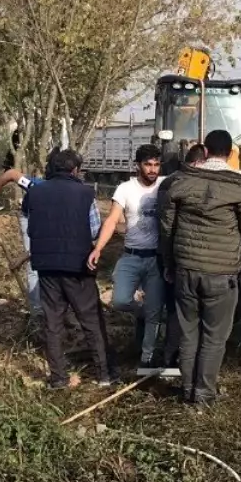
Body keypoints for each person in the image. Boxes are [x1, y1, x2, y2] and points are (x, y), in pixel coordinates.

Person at [159, 130, 241, 406]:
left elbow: (167, 227)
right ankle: (203, 396)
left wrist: (169, 262)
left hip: (186, 269)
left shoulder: (180, 181)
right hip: (222, 272)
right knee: (214, 336)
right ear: (230, 153)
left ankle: (188, 390)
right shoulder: (240, 185)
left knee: (189, 333)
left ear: (204, 151)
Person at [23, 149, 112, 389]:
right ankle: (104, 375)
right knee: (91, 320)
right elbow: (94, 230)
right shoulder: (85, 193)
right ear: (75, 170)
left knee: (52, 323)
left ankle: (58, 378)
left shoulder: (35, 191)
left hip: (46, 267)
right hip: (78, 267)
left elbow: (30, 228)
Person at [0, 156, 100, 319]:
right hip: (33, 220)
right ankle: (38, 311)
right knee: (36, 267)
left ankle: (63, 307)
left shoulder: (76, 196)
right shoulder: (37, 185)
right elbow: (12, 174)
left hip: (61, 229)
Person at [89, 144, 166, 369]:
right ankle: (144, 312)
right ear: (138, 166)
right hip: (131, 256)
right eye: (148, 165)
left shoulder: (165, 185)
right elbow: (112, 220)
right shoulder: (125, 188)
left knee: (154, 313)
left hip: (156, 259)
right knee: (120, 300)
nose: (152, 170)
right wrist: (98, 248)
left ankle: (146, 358)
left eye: (156, 165)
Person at [156, 143, 206, 367]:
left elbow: (164, 225)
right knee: (184, 310)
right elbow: (168, 224)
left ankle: (171, 357)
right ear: (198, 162)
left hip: (173, 254)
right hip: (187, 256)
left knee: (175, 309)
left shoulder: (168, 182)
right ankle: (182, 360)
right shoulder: (195, 184)